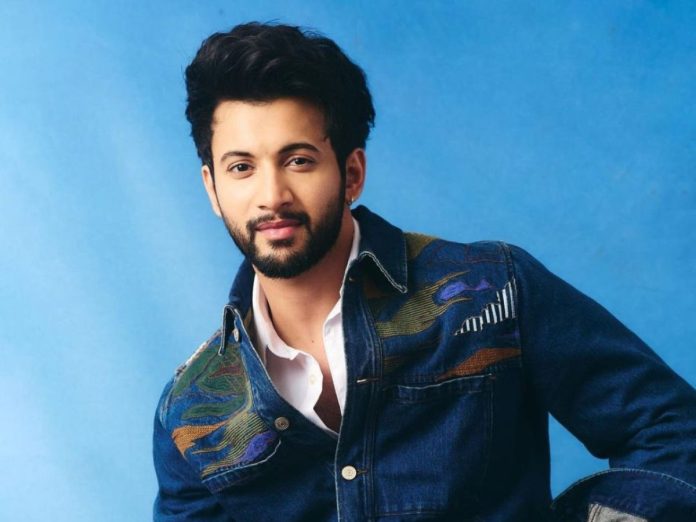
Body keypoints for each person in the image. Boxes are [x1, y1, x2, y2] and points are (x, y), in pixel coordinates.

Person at [152, 22, 696, 522]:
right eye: (241, 167)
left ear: (351, 174)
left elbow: (673, 431)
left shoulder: (491, 294)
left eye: (298, 160)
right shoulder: (192, 411)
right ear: (212, 188)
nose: (272, 195)